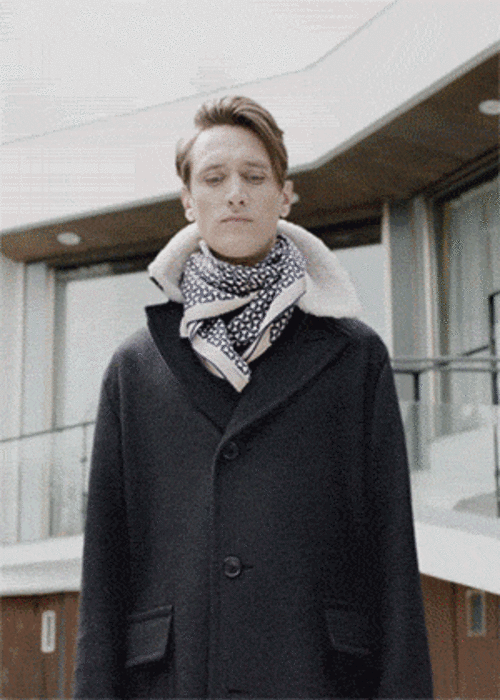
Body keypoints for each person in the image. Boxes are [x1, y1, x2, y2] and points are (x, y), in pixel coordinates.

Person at [74, 95, 433, 699]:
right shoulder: (134, 367)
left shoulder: (354, 356)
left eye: (254, 176)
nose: (235, 193)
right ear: (189, 201)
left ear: (285, 195)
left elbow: (392, 552)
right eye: (214, 178)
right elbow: (105, 567)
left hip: (316, 678)